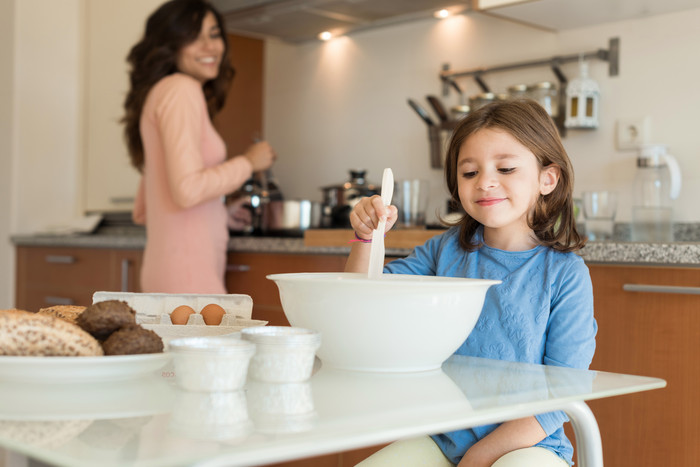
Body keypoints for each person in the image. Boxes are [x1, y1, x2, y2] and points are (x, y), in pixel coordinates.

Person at [346, 99, 597, 467]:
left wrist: (479, 457)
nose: (485, 182)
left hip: (529, 447)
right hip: (441, 438)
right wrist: (367, 238)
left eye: (506, 167)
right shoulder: (442, 252)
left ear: (548, 178)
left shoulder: (566, 275)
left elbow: (561, 396)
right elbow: (360, 299)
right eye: (469, 173)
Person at [122, 0, 276, 294]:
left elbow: (145, 209)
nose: (210, 46)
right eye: (194, 36)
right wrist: (249, 162)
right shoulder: (182, 89)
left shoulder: (160, 93)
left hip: (167, 271)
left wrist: (220, 214)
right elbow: (187, 190)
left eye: (214, 34)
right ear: (170, 45)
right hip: (189, 278)